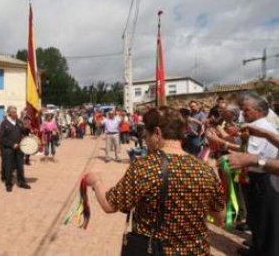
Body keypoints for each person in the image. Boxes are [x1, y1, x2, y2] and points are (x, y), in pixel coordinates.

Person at [86, 107, 225, 255]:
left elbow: (109, 205)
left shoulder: (145, 167)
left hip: (155, 250)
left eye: (146, 134)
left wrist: (96, 182)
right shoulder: (205, 169)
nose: (145, 139)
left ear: (157, 133)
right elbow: (219, 218)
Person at [230, 92, 279, 256]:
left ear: (259, 111)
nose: (243, 113)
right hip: (259, 176)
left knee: (265, 222)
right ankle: (257, 249)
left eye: (246, 110)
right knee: (257, 219)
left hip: (264, 178)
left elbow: (251, 155)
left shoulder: (261, 127)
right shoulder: (257, 128)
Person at [0, 106, 31, 192]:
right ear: (8, 113)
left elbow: (24, 132)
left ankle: (22, 182)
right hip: (8, 149)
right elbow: (2, 138)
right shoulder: (4, 123)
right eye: (13, 112)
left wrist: (27, 129)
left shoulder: (19, 122)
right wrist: (12, 144)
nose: (15, 113)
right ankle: (9, 184)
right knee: (9, 167)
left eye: (15, 112)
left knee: (20, 166)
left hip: (19, 148)